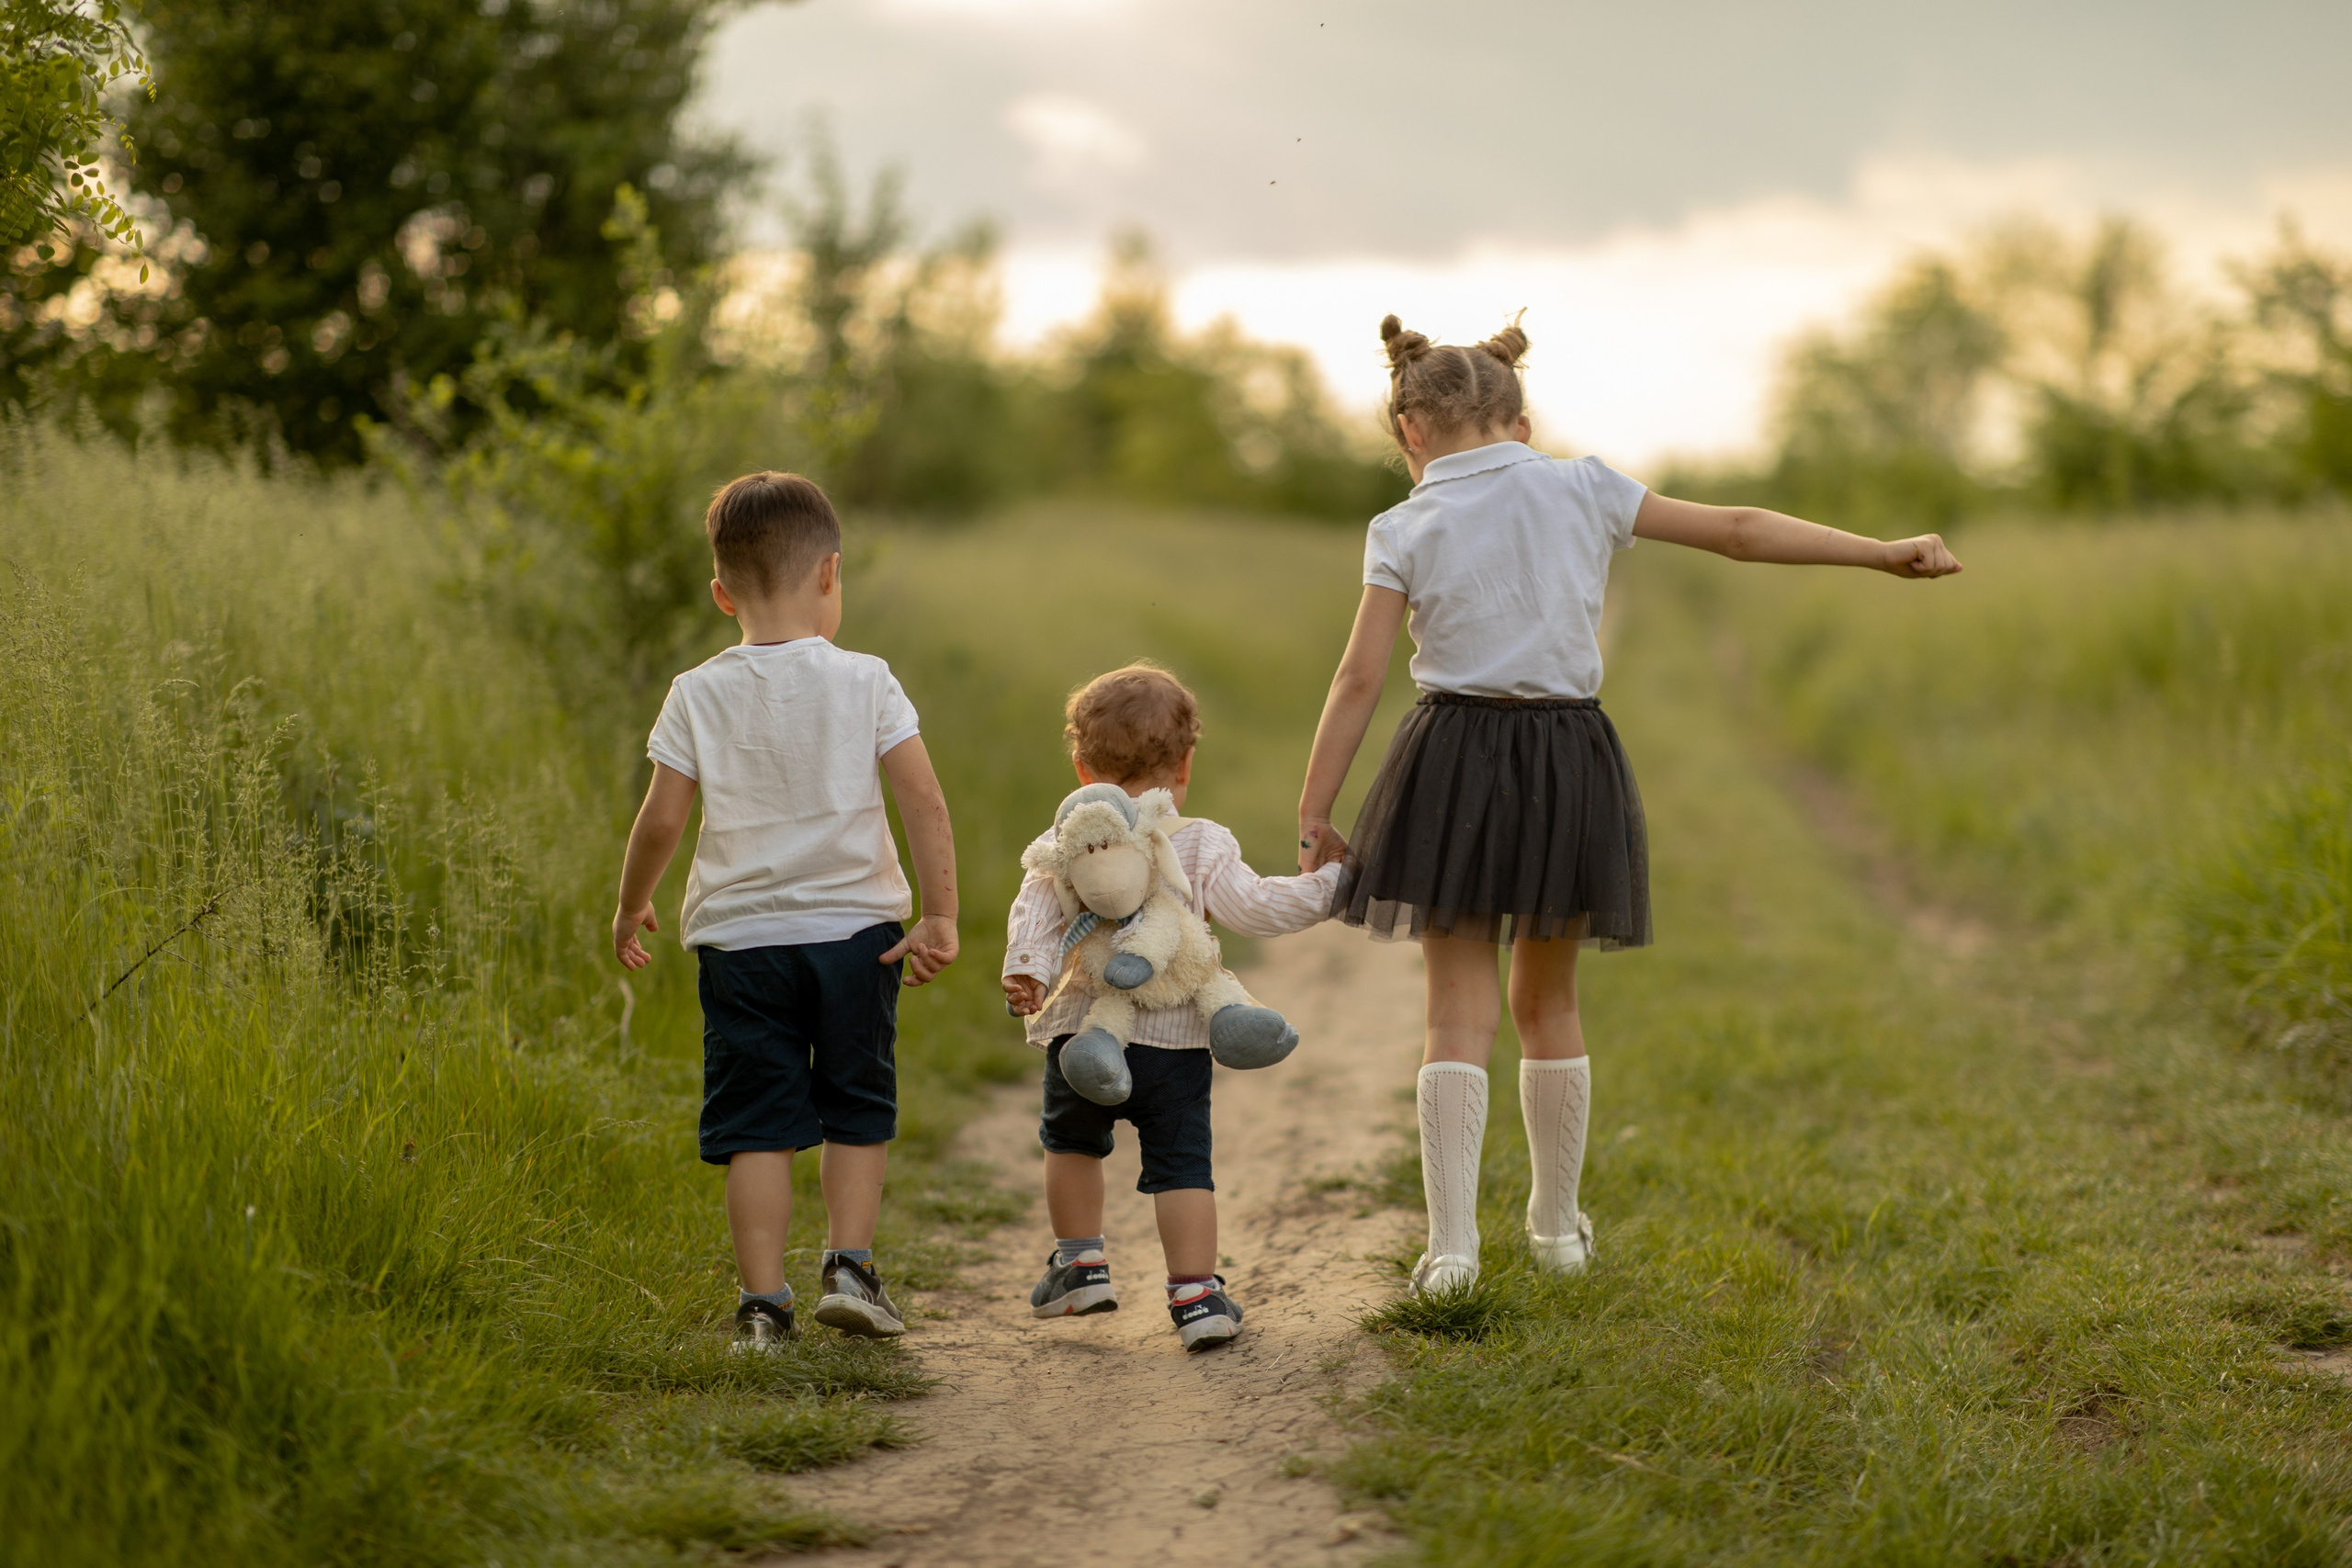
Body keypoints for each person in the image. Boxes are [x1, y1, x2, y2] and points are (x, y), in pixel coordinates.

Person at [1296, 316, 1961, 1296]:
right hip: (1567, 754)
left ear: (1408, 429)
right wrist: (1877, 552)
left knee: (1456, 1014)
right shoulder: (1582, 485)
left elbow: (1357, 678)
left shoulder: (1402, 526)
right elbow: (1736, 532)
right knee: (1549, 1000)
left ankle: (1451, 1255)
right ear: (1518, 420)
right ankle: (1557, 1235)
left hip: (1449, 757)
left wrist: (1316, 811)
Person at [613, 471, 960, 1348]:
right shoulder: (868, 679)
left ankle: (763, 1309)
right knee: (855, 1104)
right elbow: (923, 798)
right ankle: (850, 1265)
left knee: (757, 1128)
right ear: (830, 575)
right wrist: (940, 913)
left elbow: (661, 817)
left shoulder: (695, 691)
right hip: (859, 938)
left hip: (742, 944)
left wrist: (632, 904)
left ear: (721, 592)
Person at [1002, 664, 1340, 1350]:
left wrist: (1026, 970)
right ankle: (1195, 1294)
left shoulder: (1072, 838)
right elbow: (1257, 906)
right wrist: (1336, 884)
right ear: (1186, 763)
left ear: (1081, 767)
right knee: (1181, 1164)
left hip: (1082, 1035)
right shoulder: (1203, 841)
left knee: (1070, 1142)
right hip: (1176, 1040)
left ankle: (1081, 1265)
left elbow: (1034, 908)